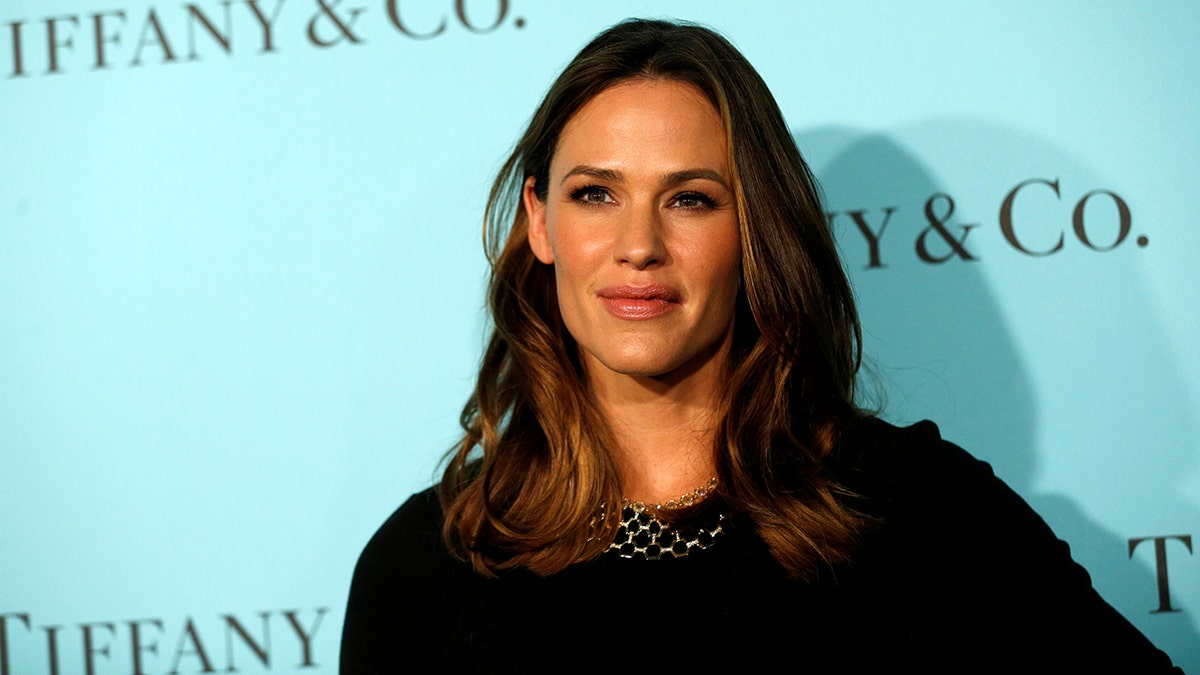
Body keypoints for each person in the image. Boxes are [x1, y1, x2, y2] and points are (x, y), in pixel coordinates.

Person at [341, 18, 1181, 672]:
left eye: (692, 199)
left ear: (758, 229)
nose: (638, 244)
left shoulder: (918, 512)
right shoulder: (433, 562)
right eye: (596, 193)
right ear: (540, 222)